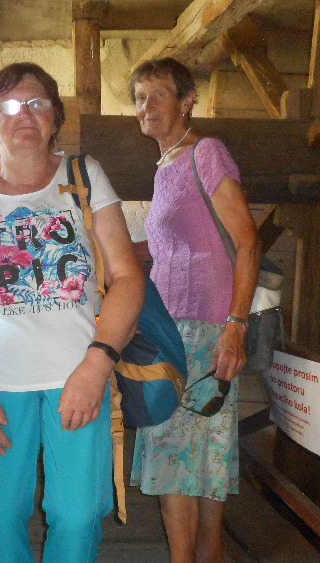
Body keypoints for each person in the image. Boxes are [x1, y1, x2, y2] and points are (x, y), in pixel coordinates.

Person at [0, 62, 145, 562]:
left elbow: (127, 278)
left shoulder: (84, 177)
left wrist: (97, 365)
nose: (24, 114)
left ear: (54, 117)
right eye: (9, 105)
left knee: (78, 515)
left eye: (38, 103)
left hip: (77, 379)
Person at [128, 57, 261, 563]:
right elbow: (165, 248)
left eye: (158, 95)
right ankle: (209, 555)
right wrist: (108, 250)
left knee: (176, 451)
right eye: (139, 97)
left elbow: (247, 241)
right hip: (172, 326)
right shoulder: (166, 166)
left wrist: (235, 326)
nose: (146, 106)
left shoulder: (206, 153)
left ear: (186, 102)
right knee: (202, 453)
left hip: (205, 327)